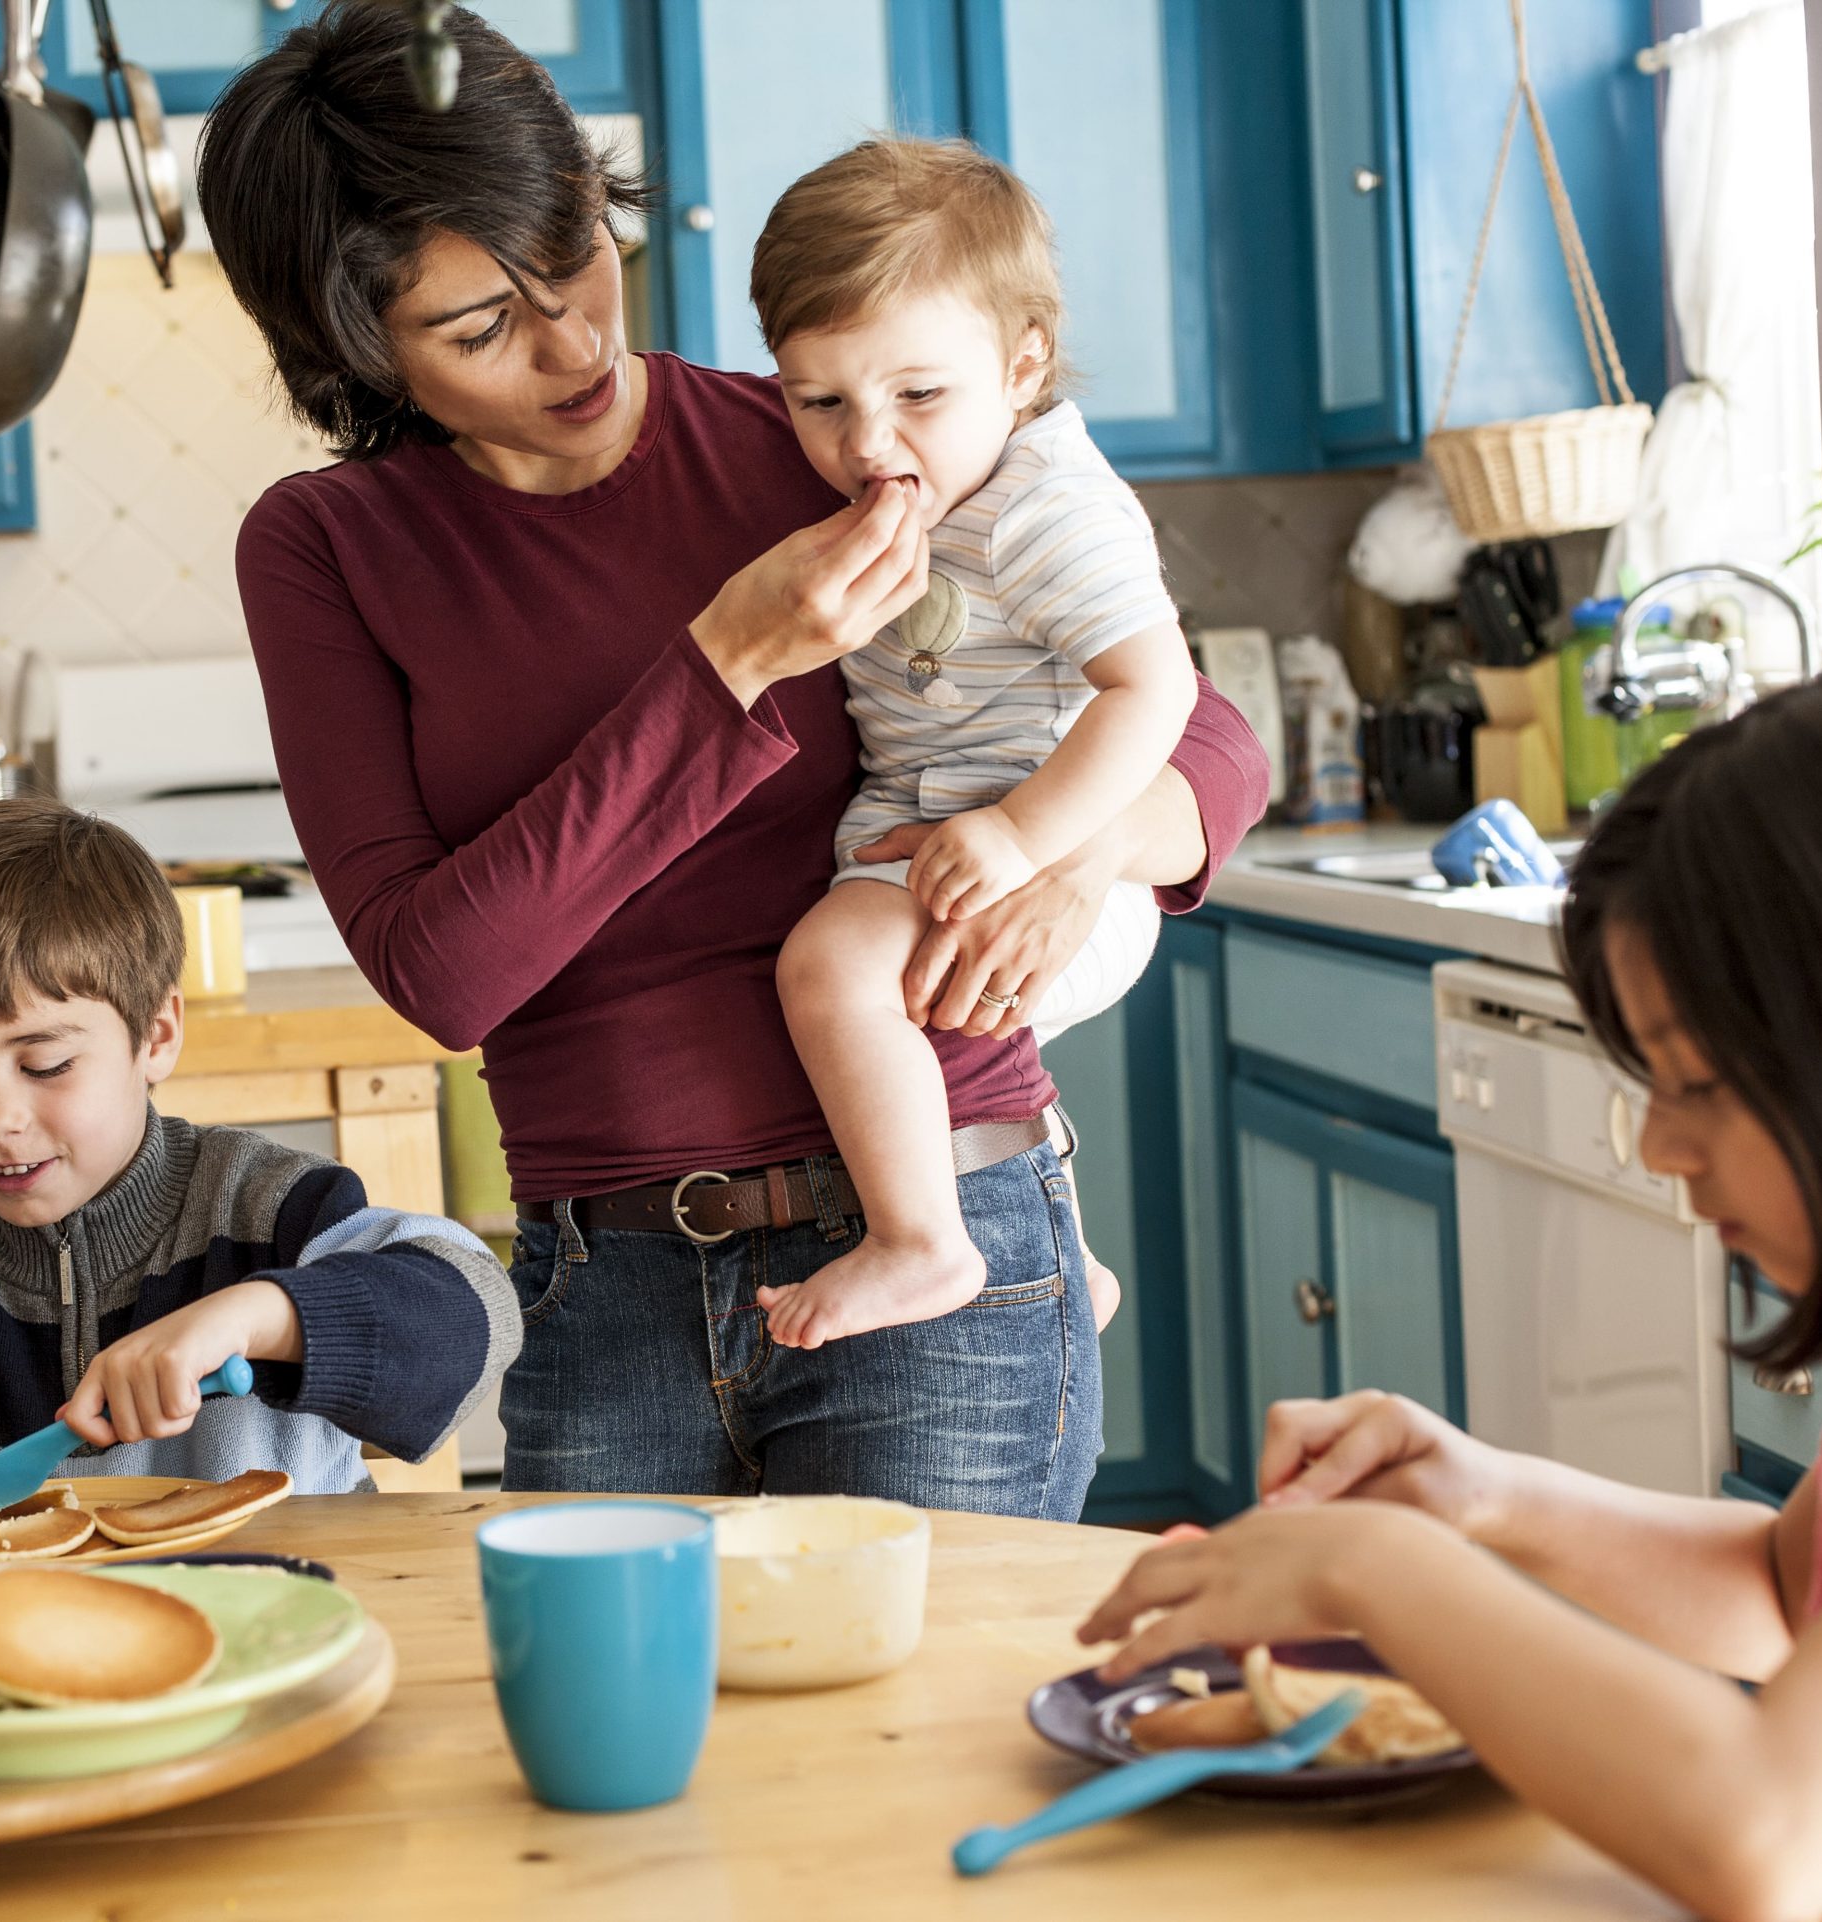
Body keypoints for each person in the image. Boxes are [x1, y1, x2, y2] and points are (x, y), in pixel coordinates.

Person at [205, 1, 1268, 1519]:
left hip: (946, 1232)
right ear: (352, 342)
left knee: (936, 1750)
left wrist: (1076, 848)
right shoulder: (327, 551)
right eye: (479, 328)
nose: (574, 339)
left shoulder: (823, 430)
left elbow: (1208, 726)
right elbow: (442, 972)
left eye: (573, 251)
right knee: (622, 1756)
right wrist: (729, 661)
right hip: (607, 1282)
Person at [1079, 659, 1822, 1921]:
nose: (1659, 1145)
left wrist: (1376, 1572)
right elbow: (1782, 1588)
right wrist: (1480, 1495)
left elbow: (1765, 1834)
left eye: (1694, 1082)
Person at [0, 797, 516, 1501]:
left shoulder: (263, 1206)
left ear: (157, 1035)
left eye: (46, 1065)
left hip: (278, 1622)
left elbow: (476, 1315)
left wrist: (257, 1316)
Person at [747, 139, 1195, 1350]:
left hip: (1048, 867)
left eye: (918, 397)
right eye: (820, 401)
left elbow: (1156, 687)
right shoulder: (920, 496)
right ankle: (1070, 1258)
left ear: (1023, 363)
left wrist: (1025, 837)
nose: (868, 445)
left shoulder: (1041, 509)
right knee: (930, 1031)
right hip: (958, 849)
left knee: (831, 973)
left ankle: (922, 1244)